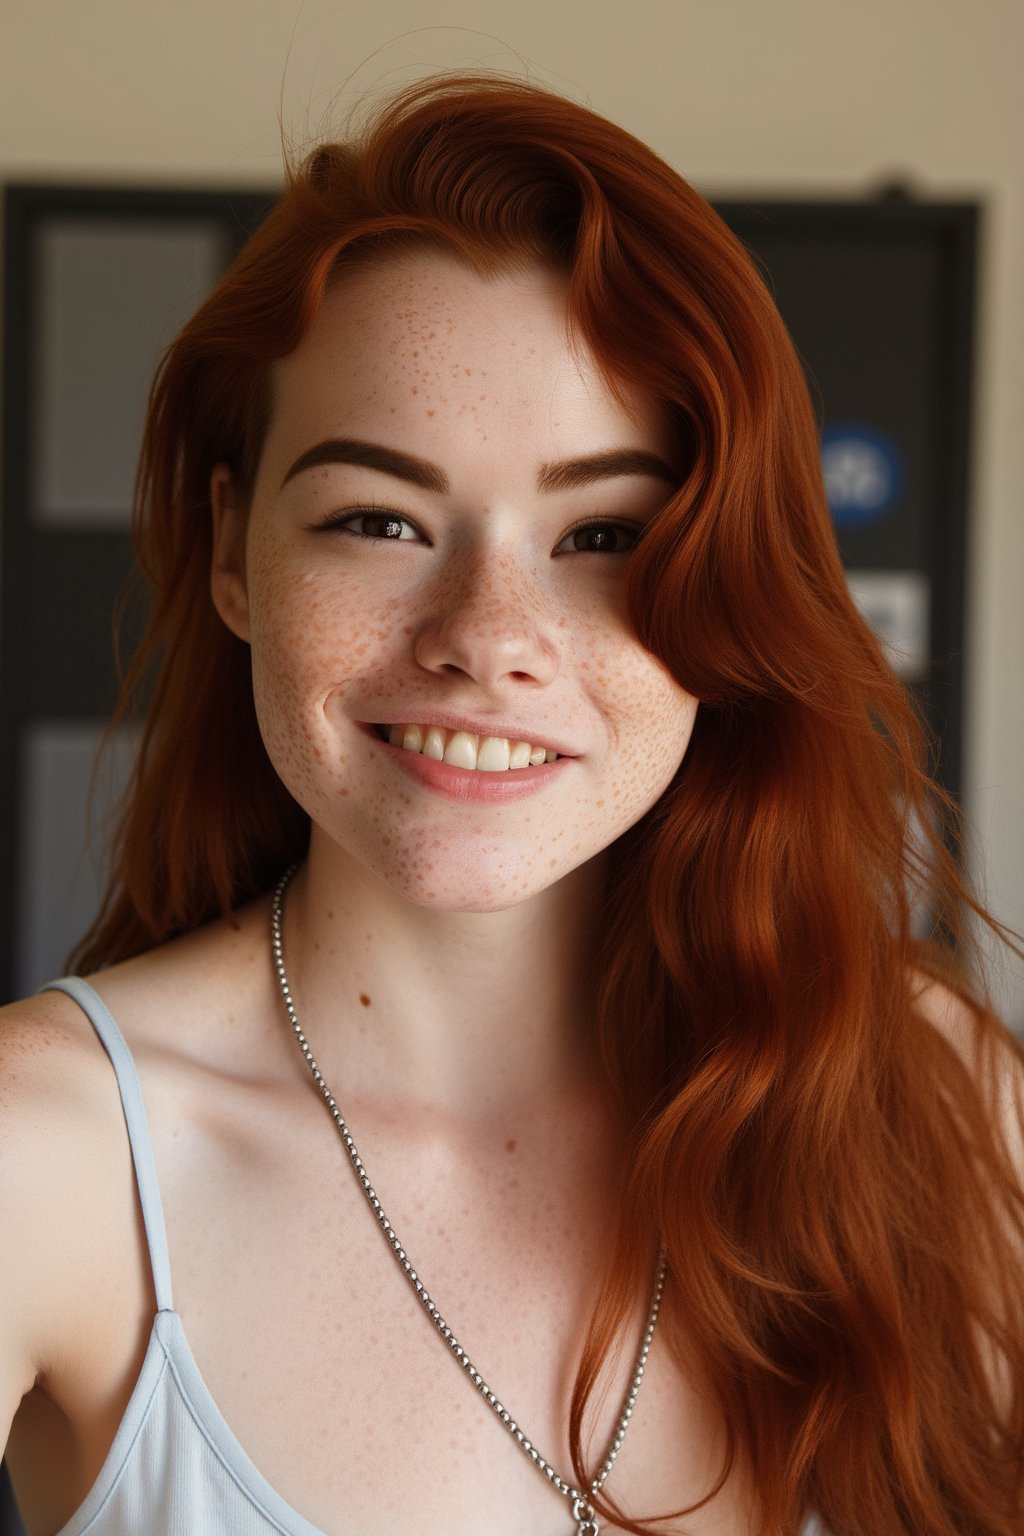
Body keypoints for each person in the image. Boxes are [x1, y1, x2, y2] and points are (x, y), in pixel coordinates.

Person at [1, 72, 1022, 1536]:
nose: (487, 632)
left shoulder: (936, 1099)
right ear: (234, 553)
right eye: (378, 519)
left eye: (604, 532)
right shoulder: (43, 1150)